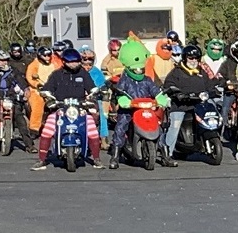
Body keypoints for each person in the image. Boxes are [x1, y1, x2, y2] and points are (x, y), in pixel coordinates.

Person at [31, 49, 103, 170]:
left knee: (92, 130)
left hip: (80, 108)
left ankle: (96, 159)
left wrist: (93, 94)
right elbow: (47, 88)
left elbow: (92, 87)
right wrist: (48, 96)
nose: (74, 64)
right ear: (64, 61)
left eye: (77, 61)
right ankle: (41, 160)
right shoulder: (56, 74)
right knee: (47, 130)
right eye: (71, 61)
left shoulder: (83, 73)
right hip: (60, 109)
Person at [110, 38, 169, 169]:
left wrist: (160, 97)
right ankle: (115, 156)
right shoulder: (124, 79)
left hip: (145, 108)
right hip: (129, 109)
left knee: (158, 127)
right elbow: (119, 91)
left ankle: (165, 155)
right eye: (136, 69)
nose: (139, 71)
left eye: (141, 68)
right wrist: (122, 98)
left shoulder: (147, 79)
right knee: (121, 126)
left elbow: (154, 89)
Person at [163, 45, 216, 166]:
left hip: (199, 104)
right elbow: (169, 85)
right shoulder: (176, 72)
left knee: (213, 113)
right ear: (185, 58)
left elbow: (210, 85)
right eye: (190, 58)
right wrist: (177, 93)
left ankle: (206, 140)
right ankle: (168, 153)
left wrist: (215, 89)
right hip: (181, 105)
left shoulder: (201, 72)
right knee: (175, 125)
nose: (193, 60)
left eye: (196, 58)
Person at [0, 50, 35, 153]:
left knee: (19, 118)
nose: (4, 62)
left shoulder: (13, 71)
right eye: (1, 60)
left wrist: (26, 90)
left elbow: (21, 82)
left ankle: (29, 145)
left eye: (6, 60)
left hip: (9, 98)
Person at [25, 46, 61, 137]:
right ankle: (34, 129)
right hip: (37, 89)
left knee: (60, 104)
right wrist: (37, 84)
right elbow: (30, 76)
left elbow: (60, 73)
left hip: (53, 89)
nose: (47, 57)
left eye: (49, 55)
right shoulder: (34, 64)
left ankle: (59, 127)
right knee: (38, 105)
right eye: (45, 55)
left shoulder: (54, 63)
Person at [79, 45, 110, 149]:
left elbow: (102, 85)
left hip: (93, 98)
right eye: (84, 61)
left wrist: (101, 90)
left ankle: (103, 137)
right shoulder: (74, 72)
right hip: (78, 98)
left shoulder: (96, 72)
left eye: (90, 62)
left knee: (102, 111)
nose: (87, 65)